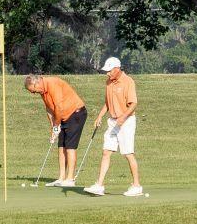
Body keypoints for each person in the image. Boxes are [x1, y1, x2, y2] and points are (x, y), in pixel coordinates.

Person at [84, 56, 144, 197]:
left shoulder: (128, 82)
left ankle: (136, 186)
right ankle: (99, 185)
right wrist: (100, 116)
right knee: (106, 152)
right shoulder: (109, 82)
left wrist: (123, 117)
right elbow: (107, 102)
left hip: (127, 121)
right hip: (113, 121)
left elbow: (133, 104)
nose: (107, 73)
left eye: (109, 71)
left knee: (128, 153)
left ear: (117, 69)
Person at [24, 73, 87, 187]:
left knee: (70, 147)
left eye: (33, 91)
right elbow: (49, 109)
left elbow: (58, 107)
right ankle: (62, 178)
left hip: (76, 113)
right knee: (61, 146)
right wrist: (53, 128)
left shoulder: (52, 83)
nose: (34, 93)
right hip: (63, 116)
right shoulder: (42, 91)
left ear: (36, 83)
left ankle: (70, 179)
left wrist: (57, 125)